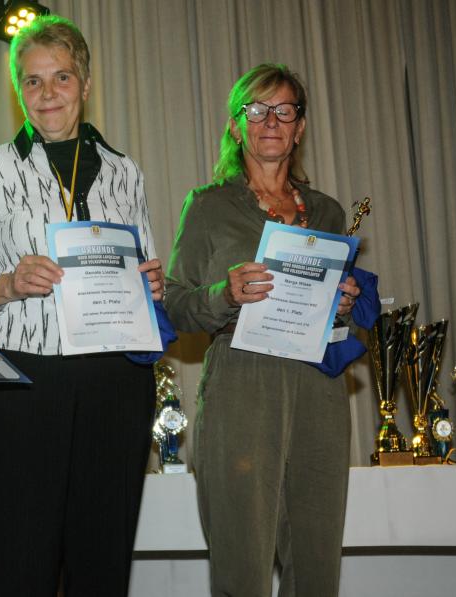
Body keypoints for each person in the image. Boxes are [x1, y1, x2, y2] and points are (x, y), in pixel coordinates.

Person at [0, 15, 164, 597]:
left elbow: (144, 264)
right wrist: (9, 284)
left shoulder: (125, 171)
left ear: (84, 83)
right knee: (21, 556)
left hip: (116, 379)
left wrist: (151, 283)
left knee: (103, 560)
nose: (47, 94)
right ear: (18, 90)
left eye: (61, 77)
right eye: (32, 81)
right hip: (27, 377)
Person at [165, 63, 361, 596]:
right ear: (235, 125)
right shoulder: (208, 206)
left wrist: (342, 306)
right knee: (242, 568)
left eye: (284, 110)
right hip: (241, 387)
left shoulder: (328, 212)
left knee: (317, 569)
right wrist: (224, 294)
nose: (271, 121)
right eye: (256, 109)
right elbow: (175, 305)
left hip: (319, 392)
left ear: (300, 127)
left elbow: (334, 317)